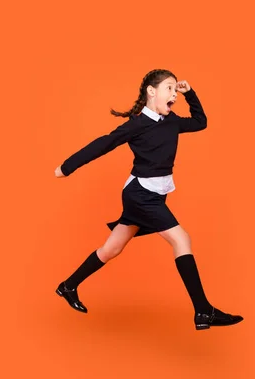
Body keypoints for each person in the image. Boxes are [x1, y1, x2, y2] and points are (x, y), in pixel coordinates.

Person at [54, 69, 243, 330]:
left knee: (111, 249)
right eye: (169, 88)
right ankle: (203, 311)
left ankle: (68, 286)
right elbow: (103, 144)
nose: (174, 94)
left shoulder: (172, 121)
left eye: (176, 90)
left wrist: (192, 94)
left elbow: (201, 122)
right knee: (182, 239)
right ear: (151, 92)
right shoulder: (136, 124)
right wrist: (66, 167)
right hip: (141, 195)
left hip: (153, 194)